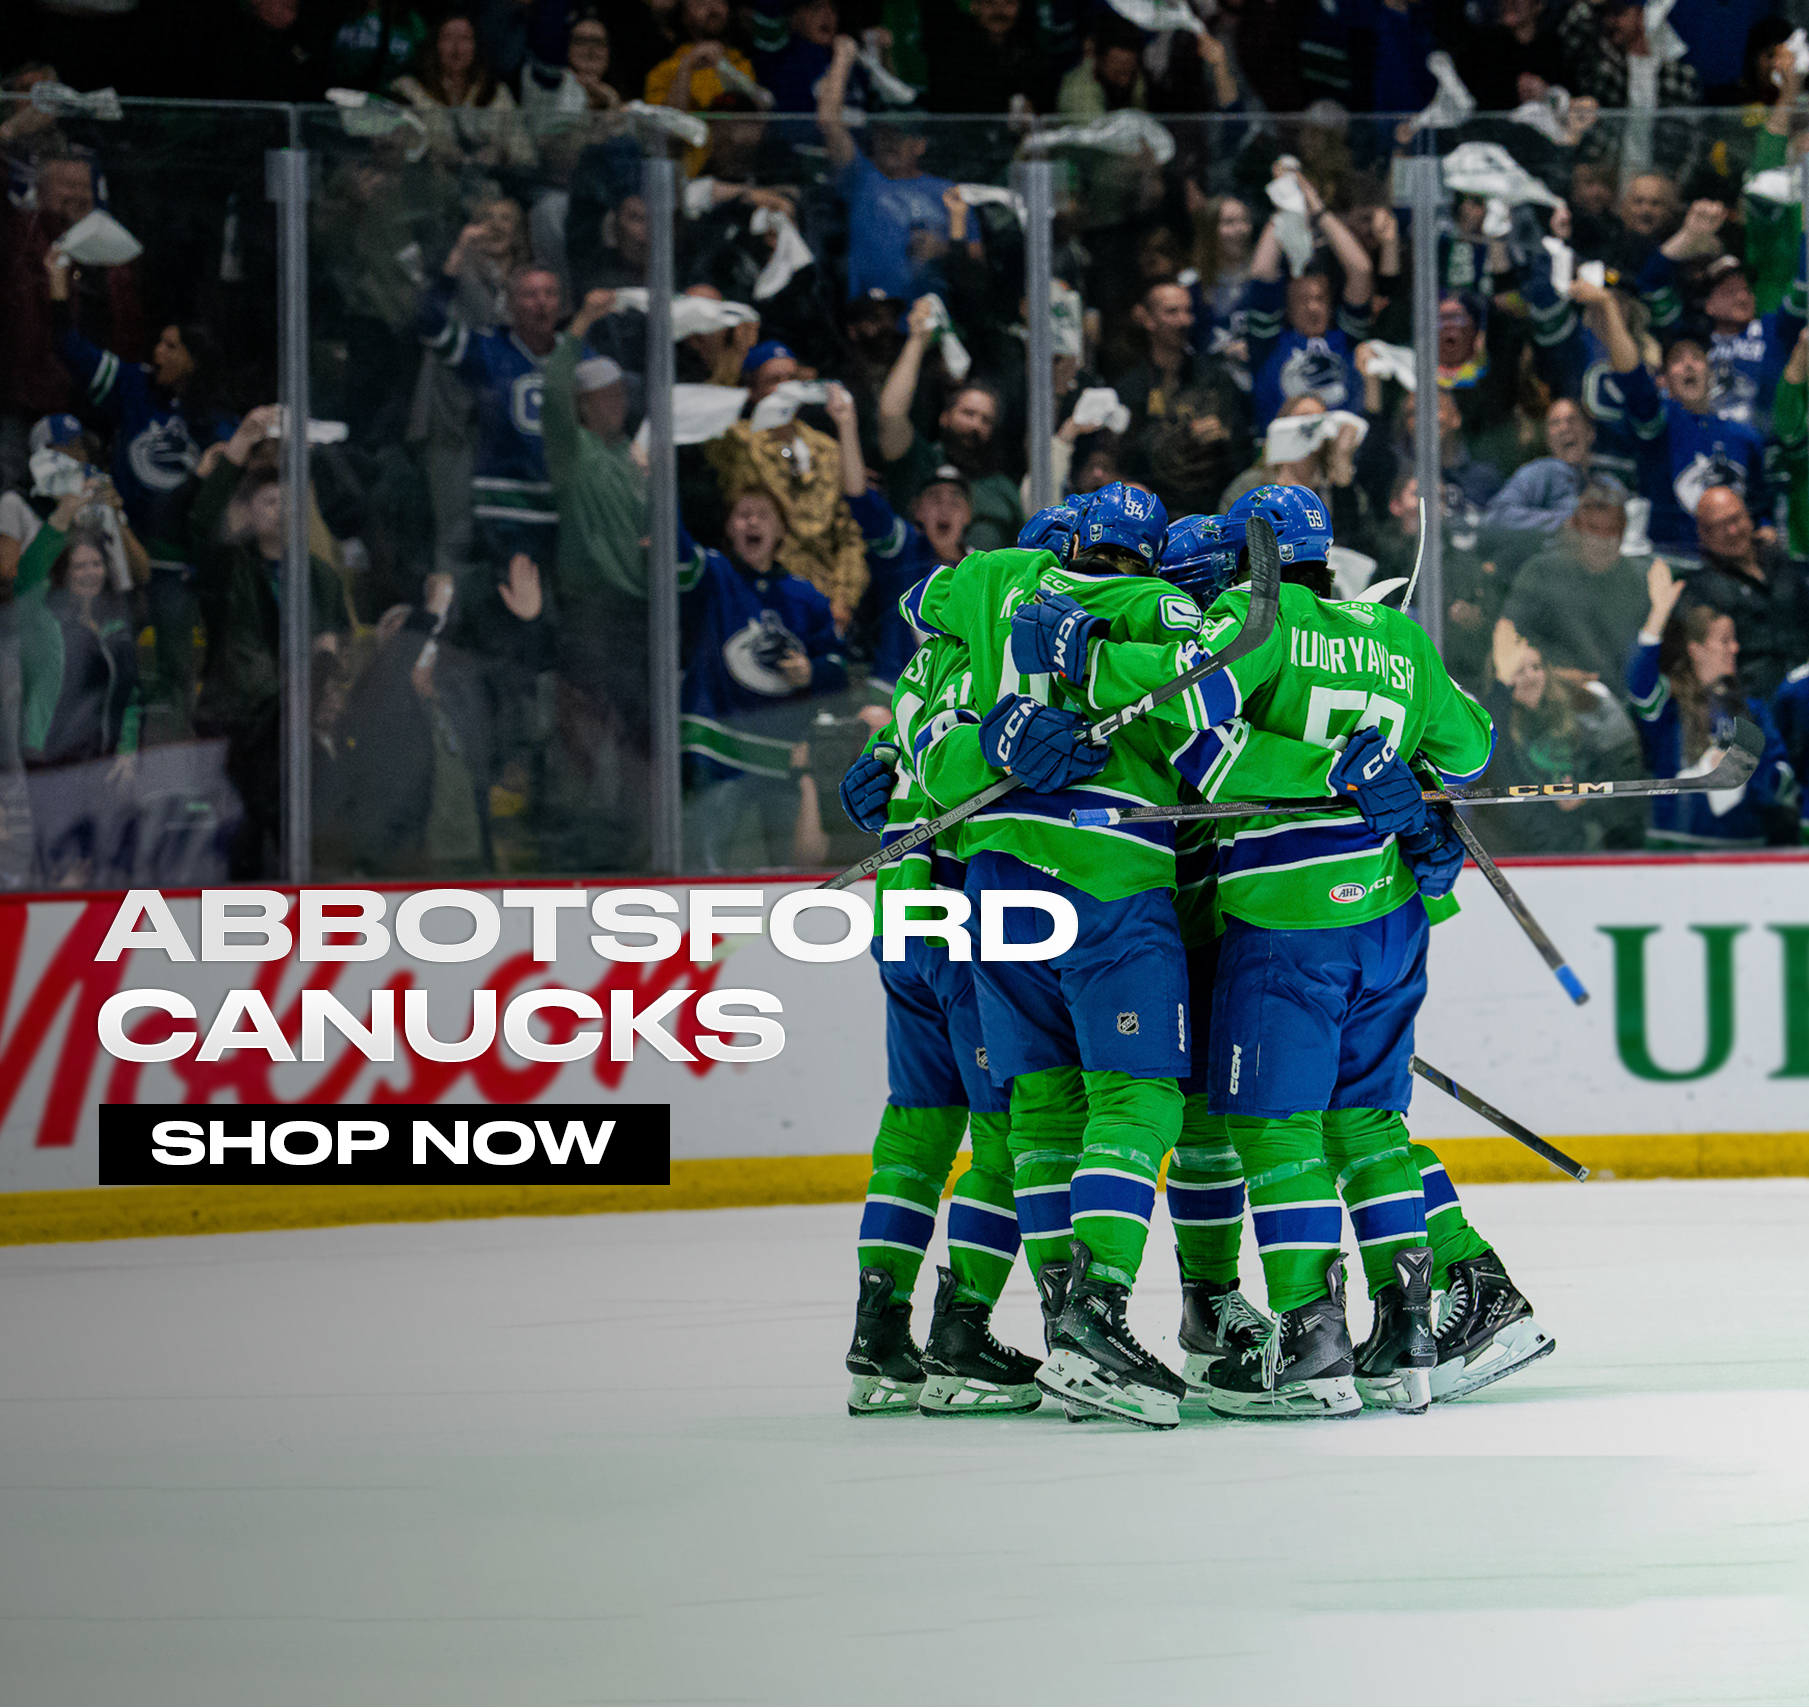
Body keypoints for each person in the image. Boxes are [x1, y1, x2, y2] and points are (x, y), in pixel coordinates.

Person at [903, 484, 1200, 1428]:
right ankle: (1094, 1321)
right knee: (1137, 1093)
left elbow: (917, 606)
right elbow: (1207, 689)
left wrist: (986, 736)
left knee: (1041, 1108)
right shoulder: (1149, 603)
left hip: (993, 877)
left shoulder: (991, 576)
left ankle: (1063, 1326)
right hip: (1106, 869)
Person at [838, 631, 1041, 1417]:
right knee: (1006, 1133)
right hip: (961, 917)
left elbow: (886, 766)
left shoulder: (921, 663)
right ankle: (962, 1339)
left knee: (915, 1132)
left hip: (900, 915)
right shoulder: (1006, 652)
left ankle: (877, 1337)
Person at [188, 407, 350, 880]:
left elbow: (333, 647)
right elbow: (201, 524)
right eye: (267, 501)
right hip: (238, 727)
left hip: (294, 732)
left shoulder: (319, 575)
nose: (278, 509)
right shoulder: (228, 566)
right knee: (242, 851)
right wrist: (238, 447)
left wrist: (326, 691)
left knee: (300, 854)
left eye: (286, 500)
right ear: (250, 510)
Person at [680, 486, 847, 871]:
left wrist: (812, 672)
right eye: (743, 514)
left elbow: (839, 668)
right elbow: (679, 552)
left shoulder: (807, 597)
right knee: (700, 864)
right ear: (728, 528)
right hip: (717, 748)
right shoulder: (713, 574)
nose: (753, 521)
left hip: (781, 756)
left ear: (781, 532)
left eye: (763, 515)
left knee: (794, 869)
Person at [1577, 278, 1769, 558]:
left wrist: (1766, 526)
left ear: (1710, 370)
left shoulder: (1744, 436)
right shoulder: (1658, 426)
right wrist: (1607, 304)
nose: (1689, 364)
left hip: (1732, 564)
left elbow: (1760, 505)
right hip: (1672, 560)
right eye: (1678, 360)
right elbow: (1632, 378)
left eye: (1696, 357)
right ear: (1664, 380)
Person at [417, 222, 564, 575]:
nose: (541, 303)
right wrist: (458, 255)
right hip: (503, 511)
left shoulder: (577, 357)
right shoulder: (488, 349)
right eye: (530, 295)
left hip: (562, 511)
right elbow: (430, 322)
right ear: (510, 305)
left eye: (549, 294)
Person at [1629, 559, 1796, 848]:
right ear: (1696, 649)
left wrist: (1745, 771)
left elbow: (1783, 779)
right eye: (1725, 640)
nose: (1736, 647)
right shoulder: (1670, 706)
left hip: (1743, 847)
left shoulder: (1750, 709)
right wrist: (1659, 614)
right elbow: (1639, 688)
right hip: (1675, 845)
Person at [707, 340, 870, 627]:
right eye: (773, 380)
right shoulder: (739, 441)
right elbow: (708, 416)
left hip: (821, 600)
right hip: (758, 590)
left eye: (791, 379)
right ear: (753, 391)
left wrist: (844, 599)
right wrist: (731, 355)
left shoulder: (827, 449)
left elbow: (848, 533)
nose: (785, 389)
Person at [1475, 620, 1646, 855]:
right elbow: (1495, 775)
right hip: (1513, 856)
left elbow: (1615, 784)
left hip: (1575, 853)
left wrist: (1584, 799)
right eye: (1518, 671)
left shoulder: (1577, 719)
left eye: (1536, 667)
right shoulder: (1491, 724)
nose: (1531, 677)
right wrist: (1501, 688)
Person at [817, 42, 956, 305]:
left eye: (899, 135)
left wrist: (943, 249)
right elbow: (828, 121)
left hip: (932, 322)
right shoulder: (861, 178)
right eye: (882, 133)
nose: (889, 141)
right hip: (873, 322)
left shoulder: (948, 192)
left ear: (919, 144)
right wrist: (843, 56)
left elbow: (975, 257)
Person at [877, 301, 1021, 551]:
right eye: (968, 413)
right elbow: (890, 414)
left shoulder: (1003, 490)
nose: (975, 424)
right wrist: (917, 340)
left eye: (985, 419)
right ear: (944, 417)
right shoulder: (918, 461)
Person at [1245, 165, 1374, 429]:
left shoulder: (1346, 339)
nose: (1313, 307)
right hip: (1282, 456)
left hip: (1340, 453)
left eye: (1321, 298)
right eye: (1302, 300)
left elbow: (1360, 270)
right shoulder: (1269, 342)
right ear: (1287, 308)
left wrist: (1317, 208)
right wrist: (1286, 201)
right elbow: (1261, 270)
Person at [1503, 474, 1651, 684]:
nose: (1603, 541)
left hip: (1620, 699)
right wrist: (1554, 675)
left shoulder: (1639, 580)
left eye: (1611, 531)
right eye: (1593, 530)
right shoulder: (1542, 572)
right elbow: (1509, 639)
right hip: (1552, 693)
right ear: (1575, 527)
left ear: (1624, 529)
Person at [1681, 486, 1809, 701]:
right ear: (1703, 535)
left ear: (1749, 517)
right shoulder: (1700, 588)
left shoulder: (1781, 561)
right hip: (1758, 703)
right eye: (1720, 526)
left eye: (1735, 519)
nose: (1733, 530)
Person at [391, 12, 533, 171]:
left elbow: (526, 157)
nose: (456, 48)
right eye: (447, 38)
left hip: (489, 189)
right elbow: (397, 154)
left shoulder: (499, 94)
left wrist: (501, 155)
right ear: (434, 44)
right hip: (429, 187)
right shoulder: (408, 90)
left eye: (465, 38)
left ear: (476, 46)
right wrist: (437, 154)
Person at [1482, 398, 1603, 534]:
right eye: (1555, 423)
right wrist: (1563, 522)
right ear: (1548, 440)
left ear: (1590, 432)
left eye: (1572, 420)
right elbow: (1496, 516)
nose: (1564, 428)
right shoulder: (1542, 471)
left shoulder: (1604, 482)